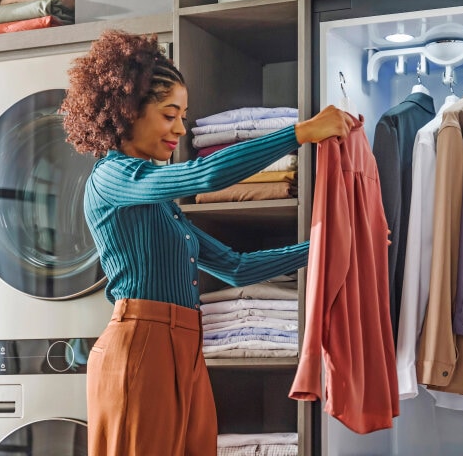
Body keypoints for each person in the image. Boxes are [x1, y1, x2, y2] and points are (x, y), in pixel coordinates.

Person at [61, 30, 353, 456]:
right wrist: (299, 133)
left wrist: (333, 245)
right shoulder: (113, 177)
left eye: (183, 115)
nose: (180, 128)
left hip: (183, 347)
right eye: (169, 114)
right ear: (127, 112)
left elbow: (235, 267)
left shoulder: (158, 206)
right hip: (140, 349)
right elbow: (204, 177)